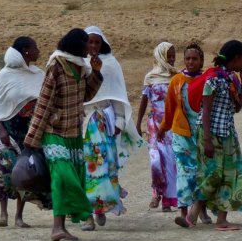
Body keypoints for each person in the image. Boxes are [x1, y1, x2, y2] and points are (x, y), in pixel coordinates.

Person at [23, 28, 103, 241]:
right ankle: (71, 219)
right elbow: (44, 102)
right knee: (62, 176)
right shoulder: (57, 66)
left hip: (73, 132)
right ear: (77, 45)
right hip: (54, 132)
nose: (90, 48)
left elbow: (85, 95)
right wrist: (32, 139)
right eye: (86, 43)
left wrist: (96, 73)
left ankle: (60, 226)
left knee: (71, 177)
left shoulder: (80, 67)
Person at [189, 40, 242, 231]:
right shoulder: (213, 80)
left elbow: (237, 107)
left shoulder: (232, 80)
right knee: (211, 174)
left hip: (227, 134)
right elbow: (206, 110)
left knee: (229, 175)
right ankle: (193, 213)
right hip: (210, 134)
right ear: (236, 58)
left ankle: (220, 219)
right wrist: (207, 140)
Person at [0, 36, 50, 227]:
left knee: (25, 171)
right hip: (7, 131)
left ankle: (19, 216)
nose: (38, 51)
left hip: (29, 131)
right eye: (35, 48)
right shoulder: (4, 75)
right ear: (26, 51)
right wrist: (0, 130)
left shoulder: (38, 74)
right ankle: (4, 214)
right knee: (4, 168)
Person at [80, 25, 140, 230]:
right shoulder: (77, 64)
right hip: (82, 123)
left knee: (103, 166)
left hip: (104, 122)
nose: (94, 45)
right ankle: (86, 212)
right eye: (90, 41)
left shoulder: (111, 64)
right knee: (84, 168)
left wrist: (120, 122)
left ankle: (99, 208)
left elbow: (118, 97)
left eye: (97, 42)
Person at [162, 42, 212, 228]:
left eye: (195, 59)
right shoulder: (177, 80)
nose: (190, 62)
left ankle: (201, 210)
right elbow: (170, 107)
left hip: (200, 132)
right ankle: (184, 213)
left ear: (201, 61)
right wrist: (163, 127)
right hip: (181, 133)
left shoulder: (207, 80)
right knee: (184, 172)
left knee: (201, 172)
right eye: (188, 59)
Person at [135, 41, 179, 212]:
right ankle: (156, 193)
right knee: (155, 160)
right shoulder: (150, 77)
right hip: (154, 124)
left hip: (171, 125)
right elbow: (144, 101)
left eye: (174, 56)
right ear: (161, 56)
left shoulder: (177, 77)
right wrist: (138, 124)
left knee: (169, 161)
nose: (172, 59)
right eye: (169, 56)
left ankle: (167, 200)